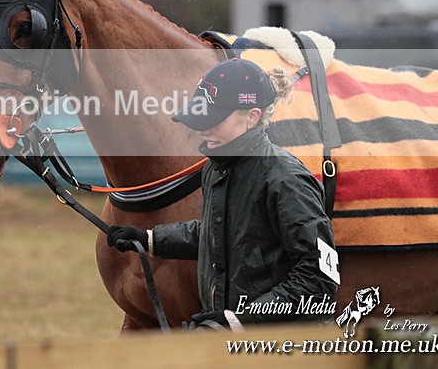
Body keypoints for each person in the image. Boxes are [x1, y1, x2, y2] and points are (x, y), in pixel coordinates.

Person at [107, 58, 339, 331]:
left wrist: (239, 320)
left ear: (251, 117)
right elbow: (218, 234)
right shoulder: (215, 170)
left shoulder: (286, 179)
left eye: (213, 119)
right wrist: (149, 239)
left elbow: (321, 275)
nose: (202, 129)